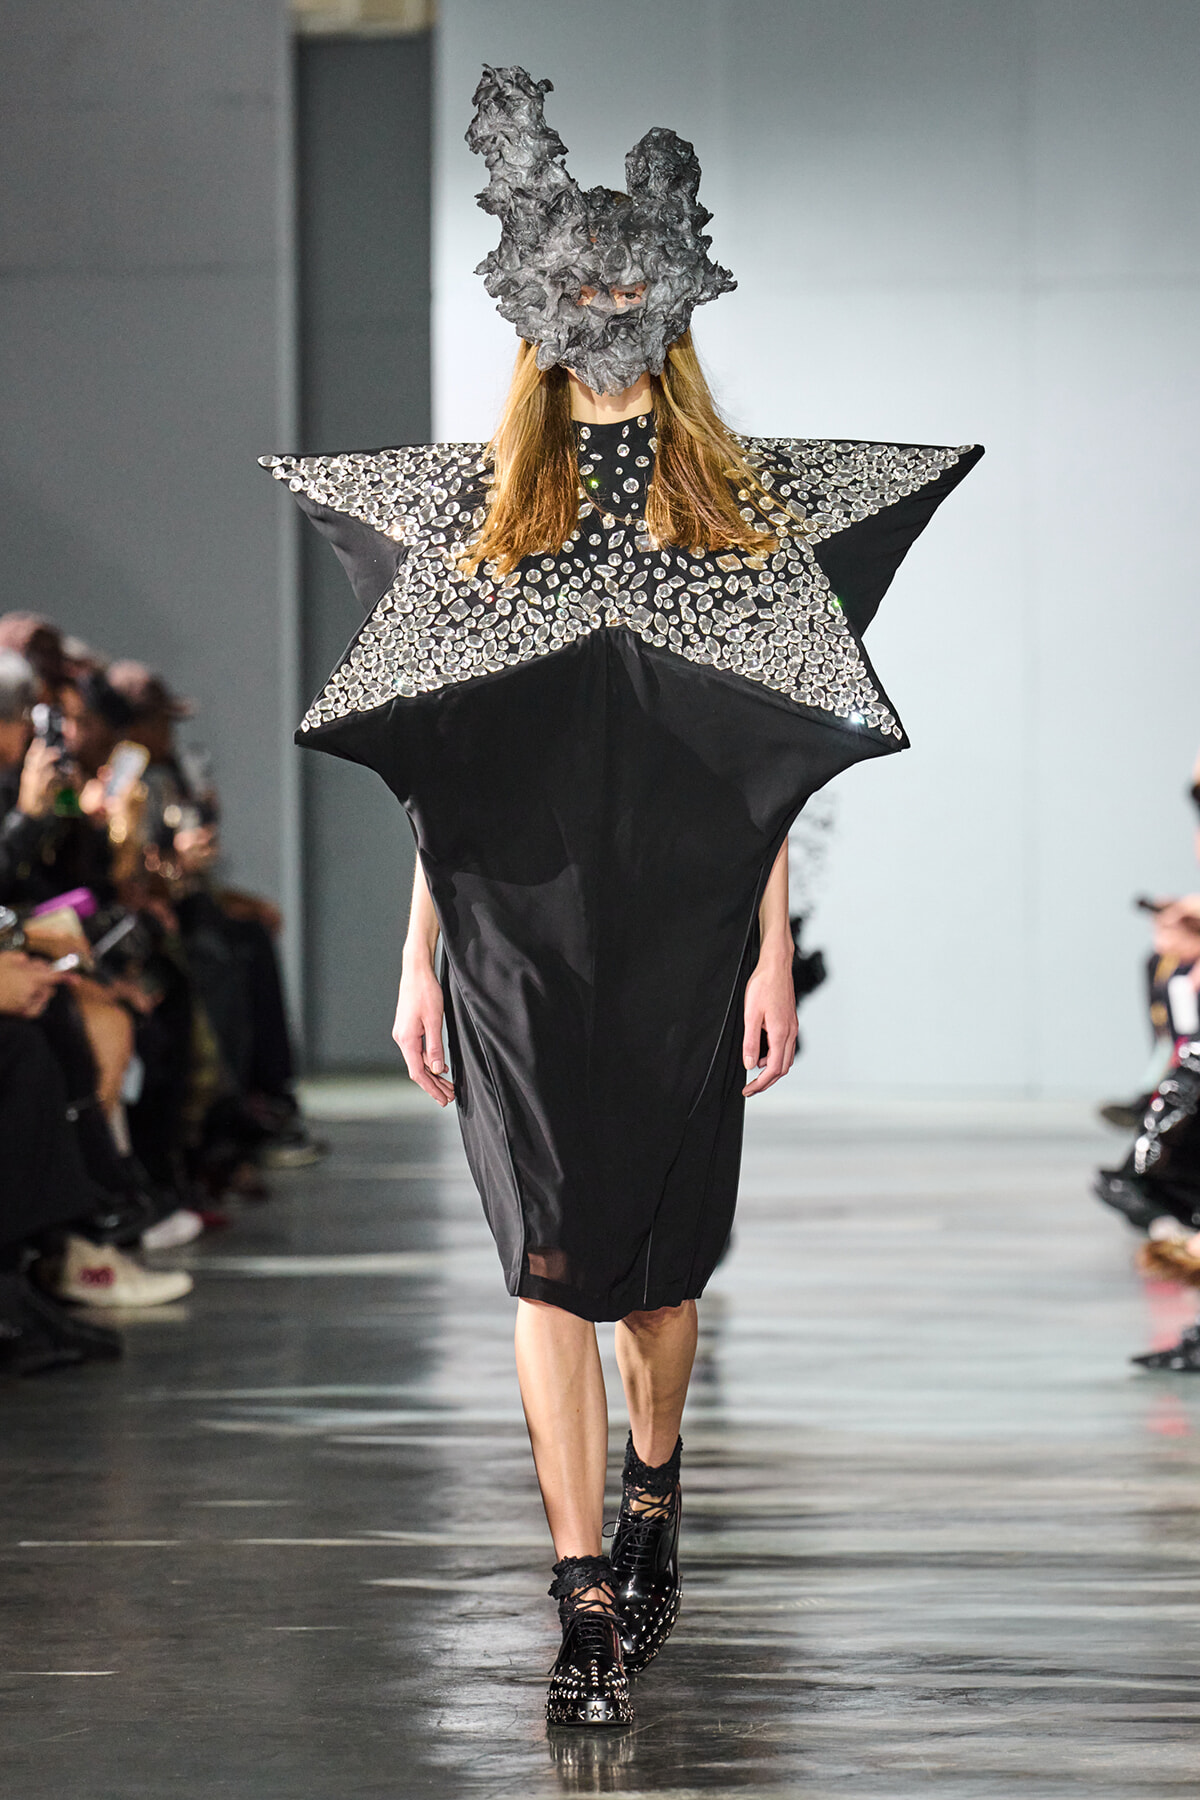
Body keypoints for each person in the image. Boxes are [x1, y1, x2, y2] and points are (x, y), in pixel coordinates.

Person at [264, 64, 982, 1728]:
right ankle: (584, 1596)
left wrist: (770, 953)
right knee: (547, 1263)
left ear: (670, 297)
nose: (601, 308)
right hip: (510, 926)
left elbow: (760, 750)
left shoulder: (732, 508)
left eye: (625, 280)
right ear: (535, 306)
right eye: (575, 282)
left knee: (655, 1271)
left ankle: (656, 1484)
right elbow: (444, 767)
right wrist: (419, 961)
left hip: (683, 921)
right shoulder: (475, 517)